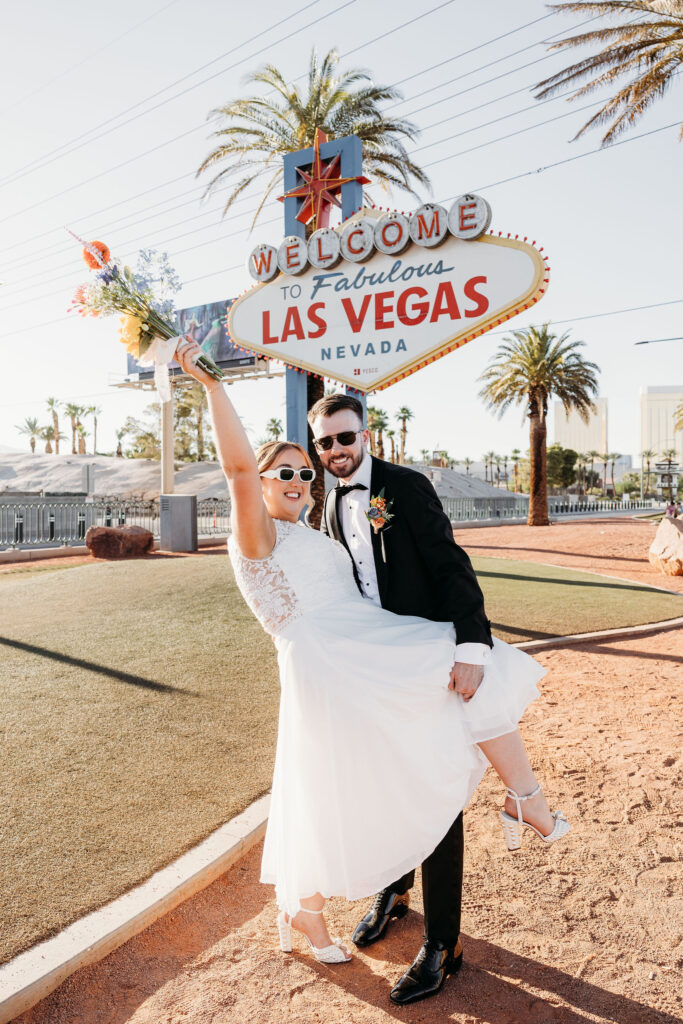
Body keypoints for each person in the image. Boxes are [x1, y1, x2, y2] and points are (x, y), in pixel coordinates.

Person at [175, 338, 570, 1005]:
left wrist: (467, 640)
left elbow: (435, 570)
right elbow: (239, 471)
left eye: (307, 471)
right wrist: (211, 386)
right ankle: (519, 801)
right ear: (262, 482)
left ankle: (337, 905)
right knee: (368, 766)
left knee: (460, 673)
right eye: (288, 471)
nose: (303, 479)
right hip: (331, 659)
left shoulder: (326, 517)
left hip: (365, 645)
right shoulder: (257, 532)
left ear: (359, 438)